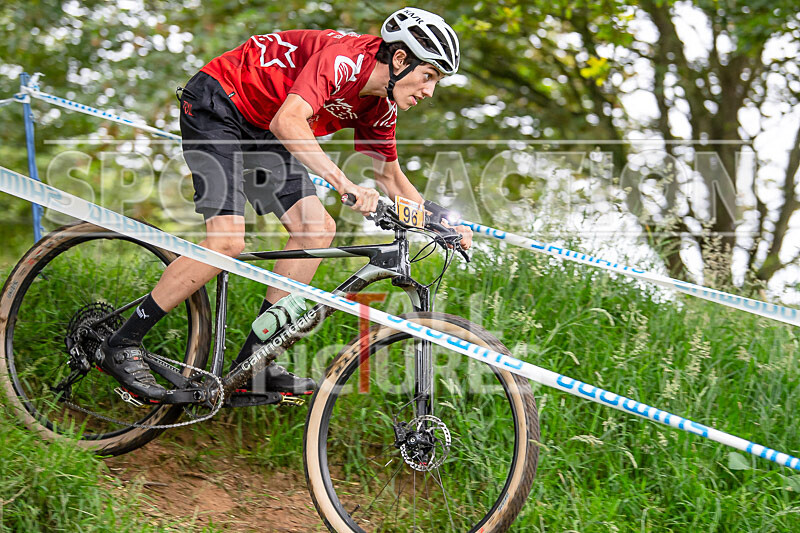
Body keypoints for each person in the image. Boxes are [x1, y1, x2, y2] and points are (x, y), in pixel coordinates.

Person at [97, 7, 473, 400]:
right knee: (227, 241)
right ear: (400, 59)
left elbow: (389, 177)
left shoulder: (381, 106)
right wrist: (343, 183)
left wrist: (441, 223)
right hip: (220, 103)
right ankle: (122, 343)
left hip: (265, 128)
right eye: (428, 75)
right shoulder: (344, 60)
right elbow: (289, 121)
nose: (430, 91)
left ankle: (253, 362)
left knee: (316, 230)